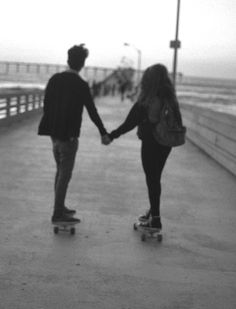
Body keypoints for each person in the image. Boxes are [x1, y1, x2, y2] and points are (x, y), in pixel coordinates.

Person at [38, 44, 110, 223]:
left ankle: (60, 206)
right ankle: (57, 213)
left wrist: (53, 127)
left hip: (54, 134)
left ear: (68, 60)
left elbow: (46, 105)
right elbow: (92, 111)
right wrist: (103, 133)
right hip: (69, 136)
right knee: (64, 174)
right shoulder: (81, 84)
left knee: (60, 171)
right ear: (82, 63)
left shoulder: (54, 79)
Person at [108, 64, 181, 230]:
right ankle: (152, 212)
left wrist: (112, 135)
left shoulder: (147, 98)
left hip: (150, 142)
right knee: (156, 178)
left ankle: (155, 219)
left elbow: (130, 122)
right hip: (166, 142)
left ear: (148, 80)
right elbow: (177, 120)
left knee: (152, 179)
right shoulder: (170, 97)